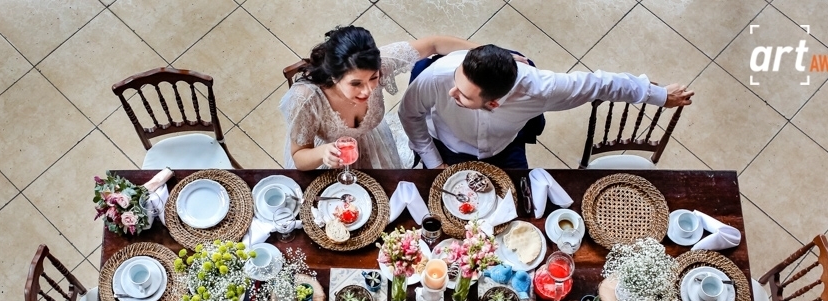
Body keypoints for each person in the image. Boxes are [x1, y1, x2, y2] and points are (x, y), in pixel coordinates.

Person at [399, 44, 695, 169]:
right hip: (446, 146)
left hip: (503, 151)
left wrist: (657, 95)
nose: (452, 92)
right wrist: (434, 161)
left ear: (492, 102)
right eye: (456, 81)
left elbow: (601, 83)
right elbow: (409, 114)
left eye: (463, 95)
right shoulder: (438, 77)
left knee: (523, 216)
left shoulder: (541, 88)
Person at [280, 26, 480, 170]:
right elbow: (299, 156)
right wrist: (323, 153)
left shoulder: (380, 62)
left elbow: (435, 44)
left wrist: (493, 53)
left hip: (373, 143)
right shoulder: (305, 99)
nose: (367, 91)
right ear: (334, 77)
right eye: (356, 84)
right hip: (329, 157)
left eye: (373, 78)